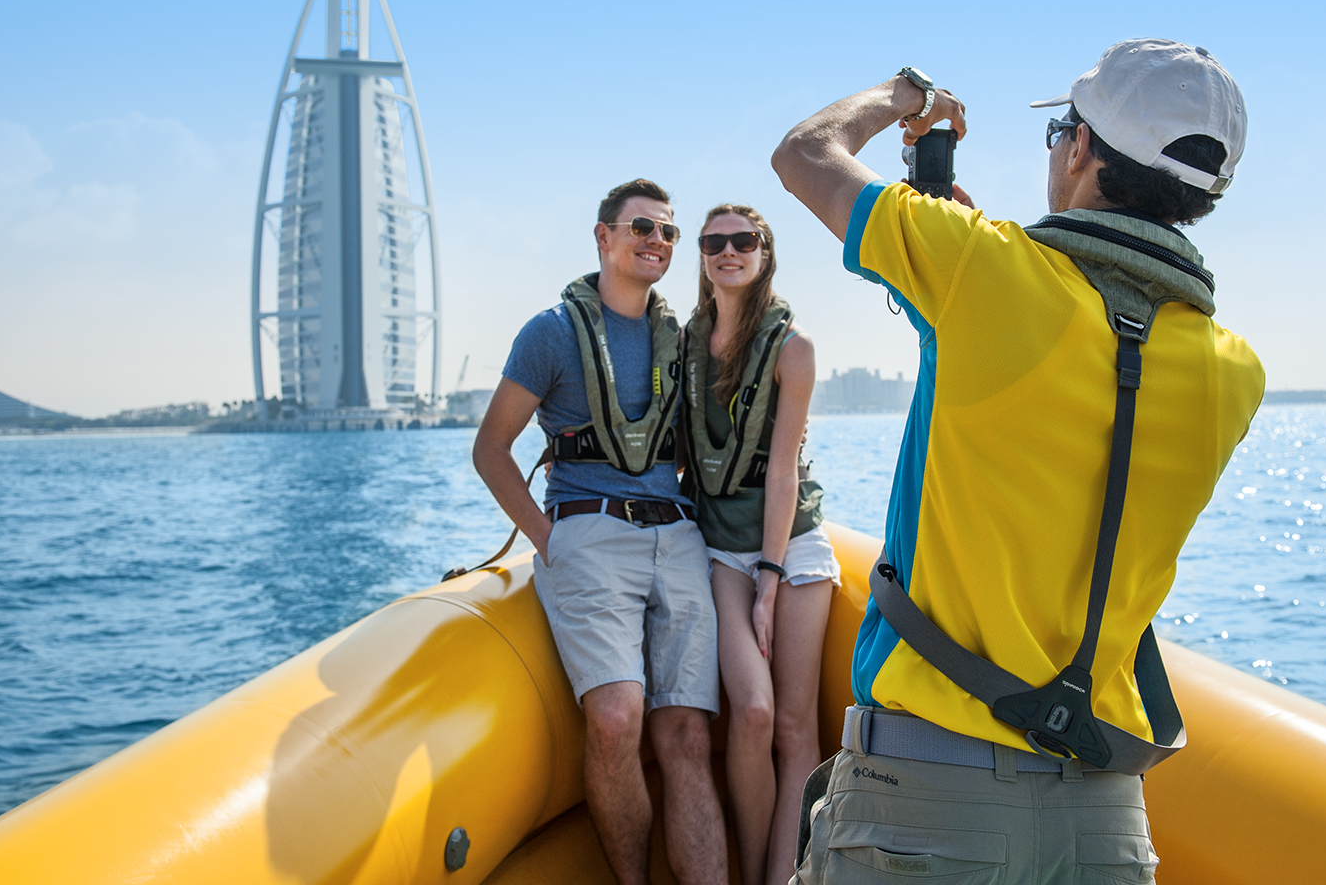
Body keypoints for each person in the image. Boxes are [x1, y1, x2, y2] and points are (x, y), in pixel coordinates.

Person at [771, 44, 1265, 883]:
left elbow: (804, 155)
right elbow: (1083, 359)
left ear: (1079, 151)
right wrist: (965, 270)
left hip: (923, 809)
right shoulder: (1234, 372)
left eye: (1061, 133)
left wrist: (904, 96)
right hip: (1107, 828)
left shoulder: (979, 266)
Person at [473, 178, 727, 885]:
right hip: (589, 534)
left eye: (669, 233)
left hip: (677, 538)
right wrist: (547, 541)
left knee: (686, 734)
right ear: (603, 236)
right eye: (642, 227)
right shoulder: (550, 333)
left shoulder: (684, 339)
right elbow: (490, 449)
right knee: (617, 718)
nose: (657, 241)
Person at [681, 204, 834, 885]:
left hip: (792, 545)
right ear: (704, 256)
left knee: (796, 726)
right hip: (720, 549)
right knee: (753, 711)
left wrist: (770, 577)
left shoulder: (793, 349)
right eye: (715, 242)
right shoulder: (683, 344)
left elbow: (780, 468)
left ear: (765, 253)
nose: (729, 251)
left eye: (745, 240)